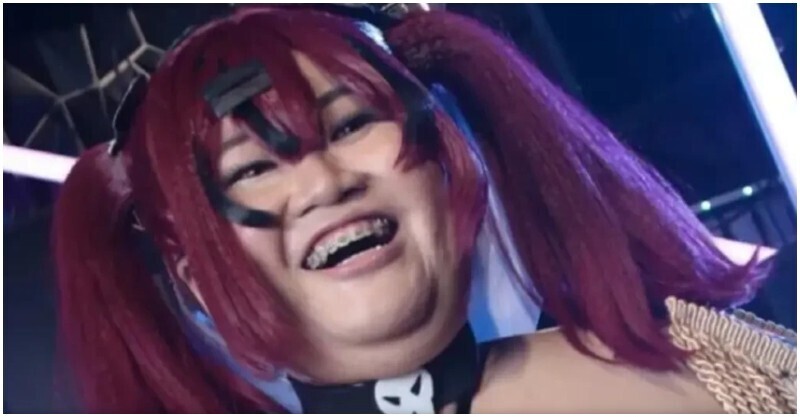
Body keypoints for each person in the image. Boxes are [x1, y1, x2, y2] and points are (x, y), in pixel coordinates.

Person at [52, 5, 795, 413]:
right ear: (191, 276)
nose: (324, 184)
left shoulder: (720, 372)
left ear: (446, 156)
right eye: (251, 170)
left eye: (350, 125)